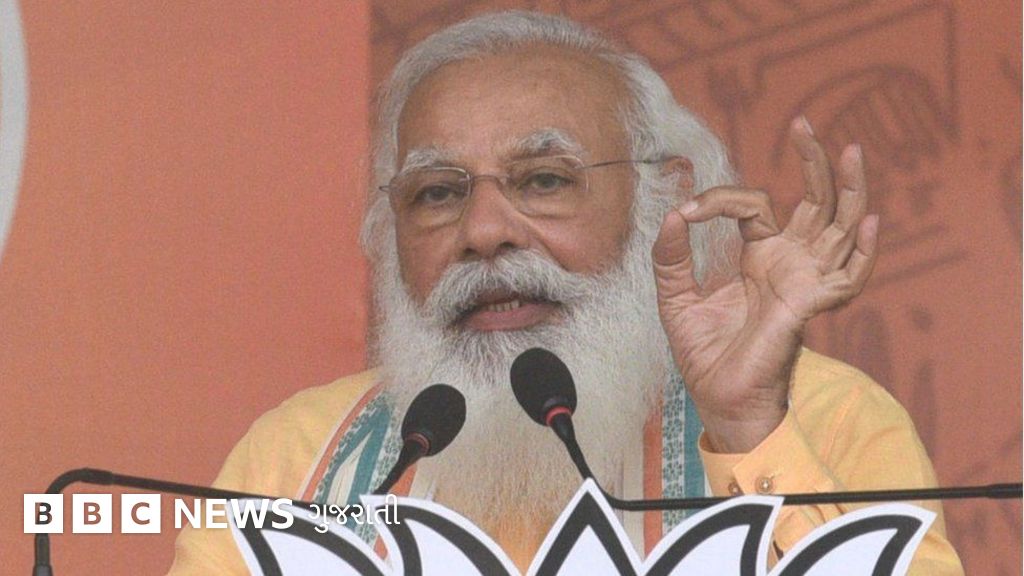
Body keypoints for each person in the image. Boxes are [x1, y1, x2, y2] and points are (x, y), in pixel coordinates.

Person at [168, 10, 962, 574]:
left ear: (663, 198)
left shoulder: (826, 419)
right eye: (437, 193)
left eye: (543, 181)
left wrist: (748, 429)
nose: (484, 232)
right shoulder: (297, 459)